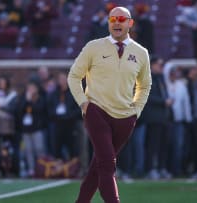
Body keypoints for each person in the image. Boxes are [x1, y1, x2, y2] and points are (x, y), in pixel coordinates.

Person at [67, 6, 151, 203]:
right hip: (96, 112)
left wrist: (136, 111)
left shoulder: (141, 53)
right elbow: (73, 76)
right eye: (112, 19)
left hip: (125, 117)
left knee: (97, 167)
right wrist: (84, 104)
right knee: (107, 163)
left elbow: (145, 85)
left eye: (121, 19)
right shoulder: (93, 47)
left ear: (130, 23)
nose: (116, 23)